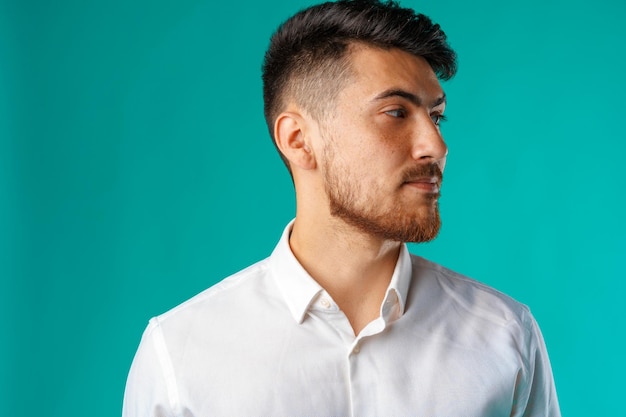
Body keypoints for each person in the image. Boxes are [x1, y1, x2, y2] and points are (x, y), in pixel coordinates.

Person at [122, 0, 561, 415]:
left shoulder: (506, 337)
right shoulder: (179, 354)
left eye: (436, 115)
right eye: (395, 113)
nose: (436, 145)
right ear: (298, 140)